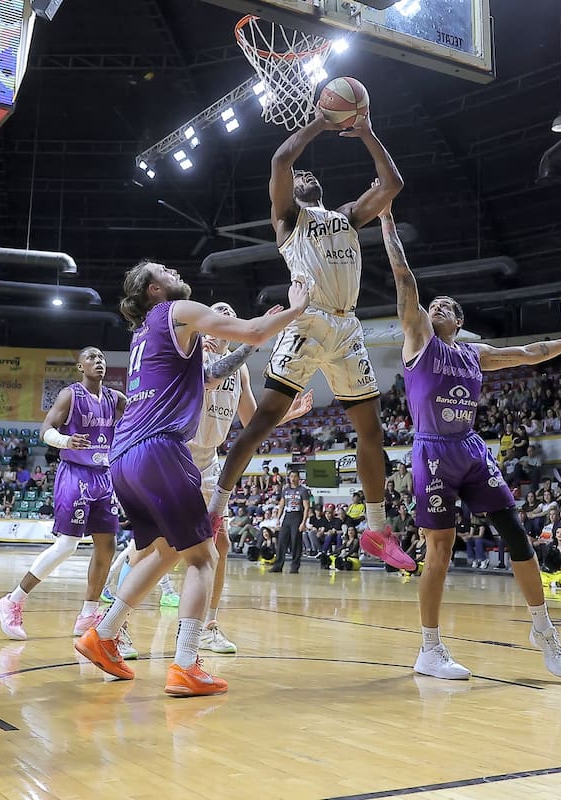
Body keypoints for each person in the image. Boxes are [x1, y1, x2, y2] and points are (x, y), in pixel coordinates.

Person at [380, 199, 561, 681]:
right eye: (434, 304)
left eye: (448, 307)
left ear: (459, 323)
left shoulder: (475, 355)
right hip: (430, 450)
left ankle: (543, 628)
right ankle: (429, 648)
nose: (438, 306)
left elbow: (532, 351)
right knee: (440, 549)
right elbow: (405, 279)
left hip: (469, 447)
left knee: (515, 534)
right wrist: (386, 220)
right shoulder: (417, 342)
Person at [75, 260, 308, 696]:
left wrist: (280, 412)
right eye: (161, 270)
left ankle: (102, 635)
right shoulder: (177, 311)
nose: (172, 268)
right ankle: (185, 664)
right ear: (154, 290)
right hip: (162, 449)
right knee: (204, 557)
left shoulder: (146, 332)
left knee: (165, 551)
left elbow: (213, 377)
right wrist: (296, 308)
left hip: (124, 456)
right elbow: (255, 331)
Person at [203, 112, 416, 574]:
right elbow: (282, 158)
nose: (305, 174)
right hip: (308, 323)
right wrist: (322, 122)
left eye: (310, 173)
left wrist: (368, 133)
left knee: (373, 432)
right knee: (261, 423)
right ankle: (215, 510)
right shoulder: (287, 220)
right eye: (301, 176)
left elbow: (392, 182)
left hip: (346, 328)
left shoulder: (347, 216)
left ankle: (377, 529)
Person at [187, 303, 312, 653]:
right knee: (154, 547)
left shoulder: (239, 373)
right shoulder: (191, 356)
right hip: (176, 458)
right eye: (216, 316)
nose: (220, 321)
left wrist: (288, 414)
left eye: (229, 315)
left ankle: (209, 626)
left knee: (221, 545)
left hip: (210, 464)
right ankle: (117, 622)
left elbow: (252, 421)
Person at [0, 347, 125, 641]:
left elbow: (139, 419)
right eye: (91, 358)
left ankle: (88, 613)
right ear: (80, 366)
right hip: (75, 474)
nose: (98, 361)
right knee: (67, 545)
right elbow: (45, 430)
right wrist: (66, 440)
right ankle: (12, 600)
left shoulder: (116, 399)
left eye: (102, 358)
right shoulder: (71, 395)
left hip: (104, 476)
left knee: (107, 546)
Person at [271, 469, 313, 574]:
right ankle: (278, 565)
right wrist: (278, 519)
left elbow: (307, 507)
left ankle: (295, 566)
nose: (293, 479)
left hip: (297, 516)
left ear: (298, 478)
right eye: (291, 477)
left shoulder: (303, 490)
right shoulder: (285, 490)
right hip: (287, 516)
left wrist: (303, 522)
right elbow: (282, 505)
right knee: (281, 541)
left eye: (295, 476)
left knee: (296, 542)